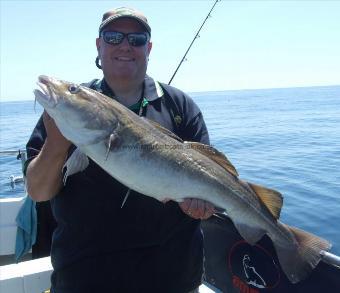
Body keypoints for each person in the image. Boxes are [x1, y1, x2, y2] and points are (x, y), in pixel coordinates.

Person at [26, 7, 215, 293]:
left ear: (148, 48)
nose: (125, 45)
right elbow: (38, 192)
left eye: (136, 39)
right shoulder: (64, 115)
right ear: (99, 45)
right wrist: (56, 143)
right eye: (113, 37)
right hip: (84, 280)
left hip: (172, 280)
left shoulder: (180, 107)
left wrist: (202, 207)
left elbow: (209, 177)